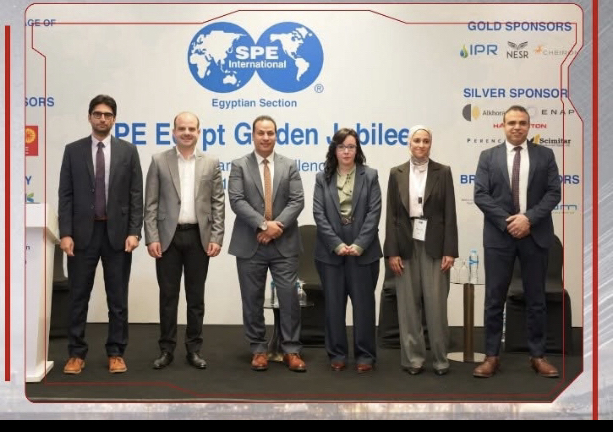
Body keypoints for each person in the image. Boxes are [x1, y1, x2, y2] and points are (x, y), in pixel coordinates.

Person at [473, 105, 561, 378]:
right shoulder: (488, 156)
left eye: (522, 122)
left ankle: (538, 356)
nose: (517, 127)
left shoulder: (545, 155)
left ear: (529, 126)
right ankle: (491, 356)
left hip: (535, 235)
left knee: (536, 298)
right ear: (503, 125)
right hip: (499, 236)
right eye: (511, 122)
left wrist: (528, 219)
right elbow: (480, 194)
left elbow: (553, 192)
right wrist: (509, 221)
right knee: (494, 298)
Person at [58, 94, 143, 375]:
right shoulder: (73, 151)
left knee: (117, 299)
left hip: (117, 235)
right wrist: (66, 233)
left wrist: (134, 232)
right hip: (82, 235)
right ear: (89, 117)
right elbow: (65, 195)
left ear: (114, 119)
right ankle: (76, 354)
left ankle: (116, 353)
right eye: (97, 114)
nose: (102, 118)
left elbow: (136, 195)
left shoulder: (128, 151)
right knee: (78, 297)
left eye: (107, 114)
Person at [144, 112, 225, 370]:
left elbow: (218, 202)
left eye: (191, 128)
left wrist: (216, 236)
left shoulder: (211, 163)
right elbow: (151, 203)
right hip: (167, 238)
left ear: (199, 132)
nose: (187, 133)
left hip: (199, 237)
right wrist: (151, 237)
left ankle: (194, 350)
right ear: (174, 132)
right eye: (182, 128)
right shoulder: (159, 161)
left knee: (196, 298)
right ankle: (166, 349)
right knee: (168, 297)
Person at [228, 115, 306, 373]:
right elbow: (237, 200)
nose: (265, 137)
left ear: (276, 135)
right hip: (250, 243)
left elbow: (297, 201)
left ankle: (291, 349)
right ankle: (259, 349)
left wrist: (275, 229)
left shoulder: (289, 165)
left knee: (289, 297)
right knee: (251, 299)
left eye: (270, 133)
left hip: (284, 243)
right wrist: (263, 225)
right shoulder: (239, 165)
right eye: (260, 133)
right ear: (253, 135)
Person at [383, 125, 458, 376]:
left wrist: (450, 250)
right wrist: (392, 252)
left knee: (436, 305)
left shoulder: (443, 172)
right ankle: (413, 359)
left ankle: (440, 360)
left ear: (430, 144)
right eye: (417, 140)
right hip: (405, 244)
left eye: (426, 141)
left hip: (435, 244)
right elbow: (392, 216)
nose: (421, 145)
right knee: (408, 305)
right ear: (409, 143)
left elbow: (450, 213)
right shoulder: (396, 173)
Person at [313, 128, 382, 374]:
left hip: (364, 252)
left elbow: (374, 212)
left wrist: (360, 243)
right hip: (330, 253)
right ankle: (337, 354)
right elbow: (319, 214)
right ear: (334, 150)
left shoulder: (370, 175)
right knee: (333, 306)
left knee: (364, 306)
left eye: (351, 147)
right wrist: (337, 244)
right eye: (341, 147)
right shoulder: (322, 178)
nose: (346, 151)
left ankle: (365, 355)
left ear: (357, 150)